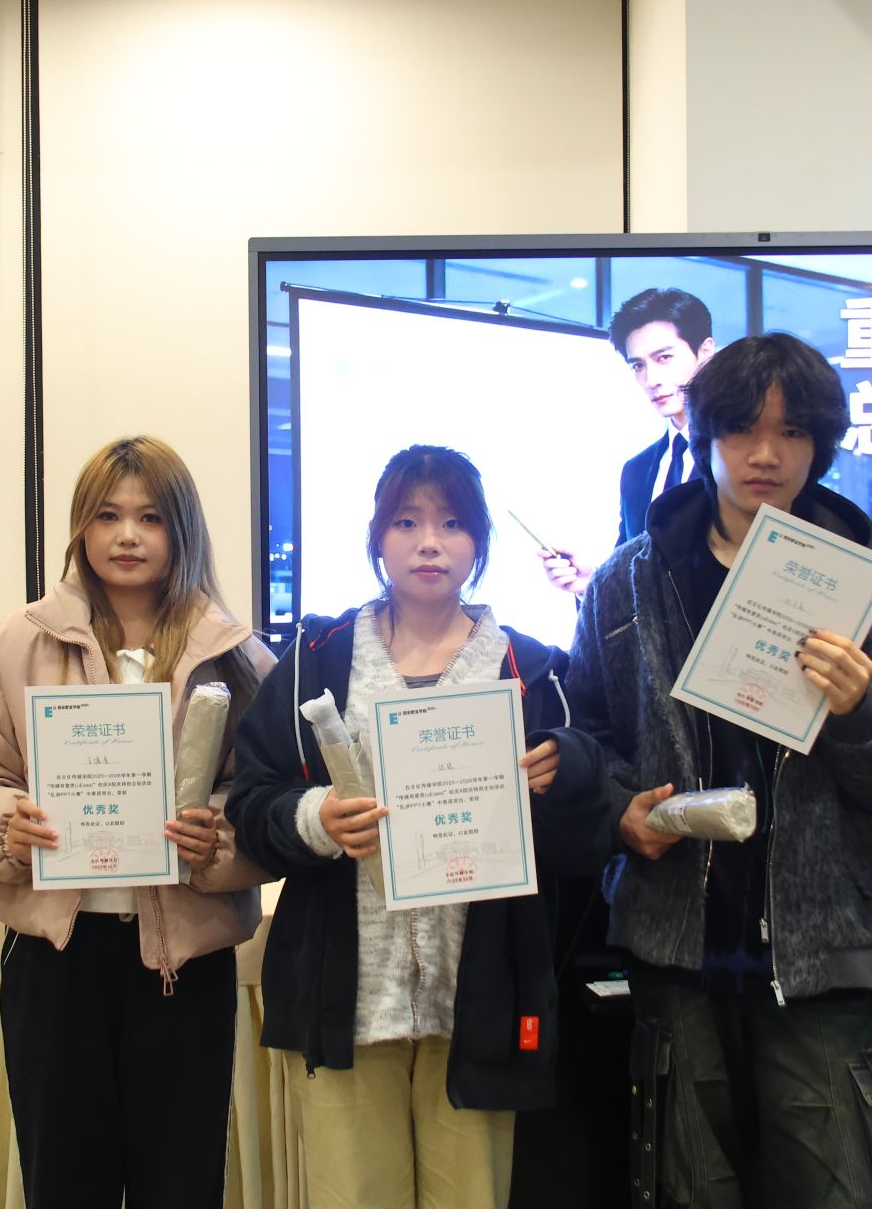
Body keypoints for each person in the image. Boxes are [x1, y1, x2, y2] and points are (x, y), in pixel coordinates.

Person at [568, 333, 872, 1207]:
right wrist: (620, 810)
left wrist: (859, 709)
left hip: (822, 953)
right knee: (690, 1189)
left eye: (792, 431)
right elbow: (588, 736)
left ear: (821, 445)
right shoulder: (628, 582)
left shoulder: (863, 587)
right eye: (741, 428)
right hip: (677, 943)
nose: (765, 453)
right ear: (703, 436)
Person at [227, 444, 610, 1209]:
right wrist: (316, 818)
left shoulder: (531, 668)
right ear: (377, 537)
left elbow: (590, 818)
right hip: (347, 995)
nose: (429, 542)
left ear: (479, 542)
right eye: (406, 521)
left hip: (479, 998)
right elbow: (251, 799)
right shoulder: (318, 656)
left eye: (451, 523)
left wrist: (564, 767)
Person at [0, 435, 273, 1209]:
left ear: (182, 528)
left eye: (151, 517)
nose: (127, 535)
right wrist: (6, 829)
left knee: (180, 1186)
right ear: (81, 526)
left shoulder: (235, 654)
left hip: (185, 961)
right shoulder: (11, 643)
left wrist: (218, 839)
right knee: (64, 1182)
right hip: (57, 957)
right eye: (107, 515)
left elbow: (267, 795)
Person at [546, 286, 717, 596]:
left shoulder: (740, 459)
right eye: (638, 365)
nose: (651, 380)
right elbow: (633, 582)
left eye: (664, 358)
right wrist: (592, 586)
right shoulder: (637, 470)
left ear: (705, 352)